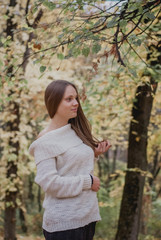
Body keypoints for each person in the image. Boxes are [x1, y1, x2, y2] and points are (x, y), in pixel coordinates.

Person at [29, 80, 111, 240]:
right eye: (69, 99)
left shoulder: (74, 130)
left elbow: (70, 167)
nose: (76, 103)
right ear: (54, 101)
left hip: (87, 218)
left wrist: (93, 154)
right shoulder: (45, 141)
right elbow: (51, 184)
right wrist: (88, 181)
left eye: (76, 98)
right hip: (64, 225)